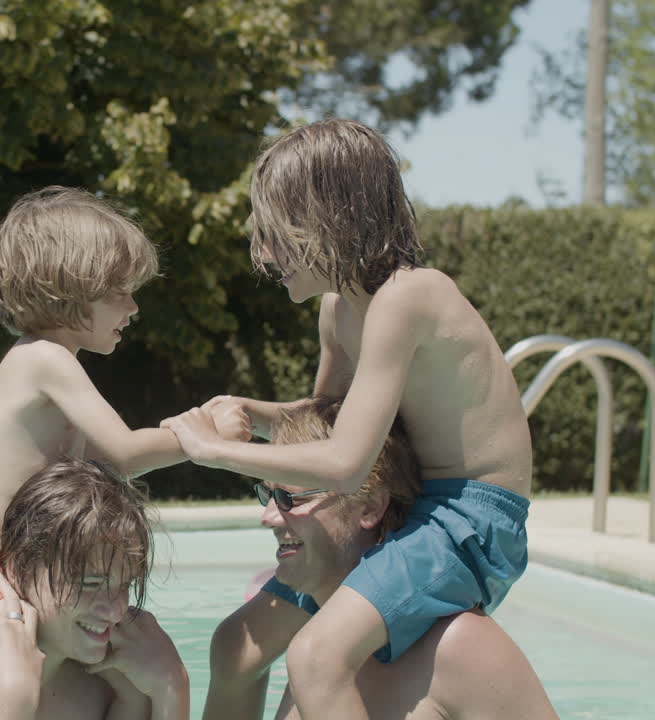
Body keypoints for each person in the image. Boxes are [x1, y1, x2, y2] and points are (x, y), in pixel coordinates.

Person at [163, 118, 534, 719]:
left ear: (332, 219)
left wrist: (215, 454)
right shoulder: (339, 310)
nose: (263, 253)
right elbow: (329, 419)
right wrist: (248, 412)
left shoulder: (409, 297)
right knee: (236, 643)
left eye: (277, 233)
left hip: (469, 519)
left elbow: (342, 463)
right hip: (403, 500)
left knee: (316, 658)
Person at [0, 186, 236, 640]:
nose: (133, 308)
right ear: (71, 288)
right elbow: (127, 453)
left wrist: (185, 433)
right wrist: (206, 437)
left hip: (22, 561)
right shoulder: (45, 360)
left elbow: (111, 464)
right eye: (121, 292)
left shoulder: (45, 363)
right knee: (24, 660)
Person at [204, 397, 556, 720]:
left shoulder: (460, 647)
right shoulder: (313, 646)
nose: (269, 517)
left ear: (370, 507)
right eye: (268, 494)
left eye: (290, 498)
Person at [0, 459, 189, 720]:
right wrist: (15, 703)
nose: (116, 610)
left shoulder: (117, 678)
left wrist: (172, 688)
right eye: (90, 583)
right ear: (19, 568)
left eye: (125, 584)